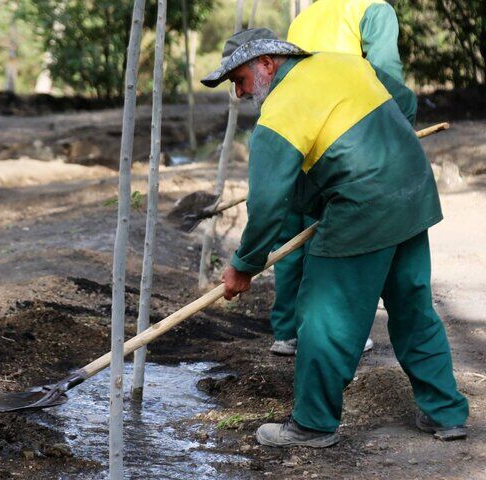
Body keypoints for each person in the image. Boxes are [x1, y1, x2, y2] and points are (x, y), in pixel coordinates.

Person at [201, 28, 469, 447]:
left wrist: (244, 265)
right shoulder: (343, 62)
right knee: (412, 306)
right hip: (412, 189)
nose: (239, 93)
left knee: (324, 314)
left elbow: (269, 202)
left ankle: (312, 425)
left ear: (267, 64)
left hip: (364, 206)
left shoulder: (281, 110)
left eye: (239, 81)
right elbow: (405, 101)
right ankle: (446, 413)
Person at [268, 0, 406, 356]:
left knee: (291, 235)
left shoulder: (304, 17)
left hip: (300, 131)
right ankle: (342, 334)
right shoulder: (373, 8)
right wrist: (398, 127)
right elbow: (386, 71)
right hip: (344, 136)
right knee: (331, 240)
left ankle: (285, 333)